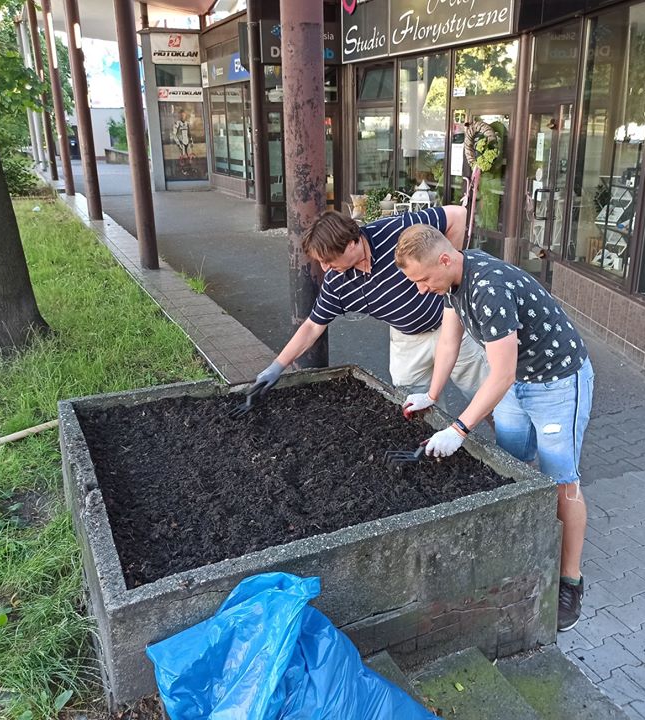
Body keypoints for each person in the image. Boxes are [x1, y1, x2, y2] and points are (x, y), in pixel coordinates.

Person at [394, 224, 594, 632]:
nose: (420, 289)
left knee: (562, 481)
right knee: (511, 465)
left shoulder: (490, 289)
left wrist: (458, 429)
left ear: (444, 260)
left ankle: (570, 581)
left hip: (558, 383)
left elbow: (500, 374)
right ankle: (525, 551)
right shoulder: (452, 280)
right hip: (517, 381)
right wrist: (432, 394)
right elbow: (448, 342)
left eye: (423, 279)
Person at [248, 207, 488, 403]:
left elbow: (457, 215)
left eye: (329, 260)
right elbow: (312, 326)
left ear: (352, 243)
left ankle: (506, 447)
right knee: (412, 403)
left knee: (484, 397)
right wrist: (277, 366)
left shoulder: (396, 231)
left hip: (452, 326)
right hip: (408, 340)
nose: (325, 268)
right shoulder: (337, 282)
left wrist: (448, 278)